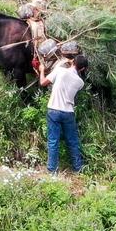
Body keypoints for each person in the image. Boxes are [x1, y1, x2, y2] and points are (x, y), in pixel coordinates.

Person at [41, 42, 86, 174]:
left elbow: (43, 83)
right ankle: (78, 168)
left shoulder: (60, 71)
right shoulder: (80, 83)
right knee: (72, 141)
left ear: (72, 62)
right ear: (82, 69)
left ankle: (52, 171)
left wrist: (42, 70)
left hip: (54, 110)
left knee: (53, 141)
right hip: (68, 113)